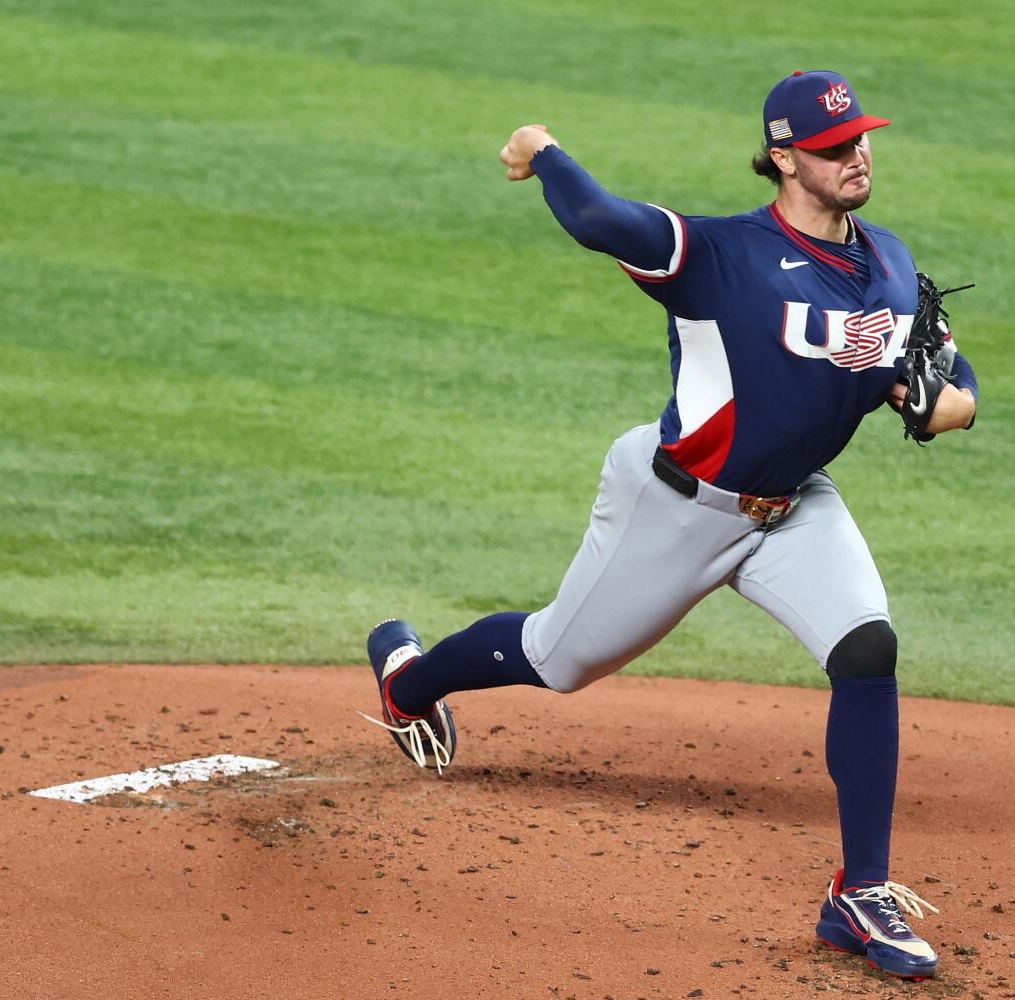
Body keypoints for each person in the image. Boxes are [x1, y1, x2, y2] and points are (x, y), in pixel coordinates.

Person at [362, 70, 979, 981]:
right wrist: (544, 154)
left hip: (795, 508)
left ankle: (861, 895)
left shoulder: (887, 259)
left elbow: (958, 387)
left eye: (861, 140)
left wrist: (937, 407)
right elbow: (604, 221)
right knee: (556, 658)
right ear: (782, 158)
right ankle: (409, 680)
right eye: (833, 147)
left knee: (867, 649)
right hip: (677, 504)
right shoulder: (718, 256)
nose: (857, 156)